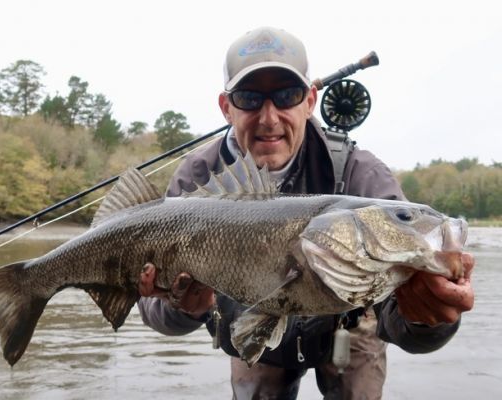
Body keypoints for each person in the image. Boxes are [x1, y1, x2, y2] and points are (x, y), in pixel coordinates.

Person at [137, 26, 475, 399]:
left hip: (347, 328)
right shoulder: (198, 179)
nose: (268, 117)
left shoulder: (362, 175)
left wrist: (427, 318)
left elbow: (405, 328)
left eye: (287, 95)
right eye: (249, 98)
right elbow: (153, 309)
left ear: (310, 100)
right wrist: (185, 308)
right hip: (252, 326)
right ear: (226, 107)